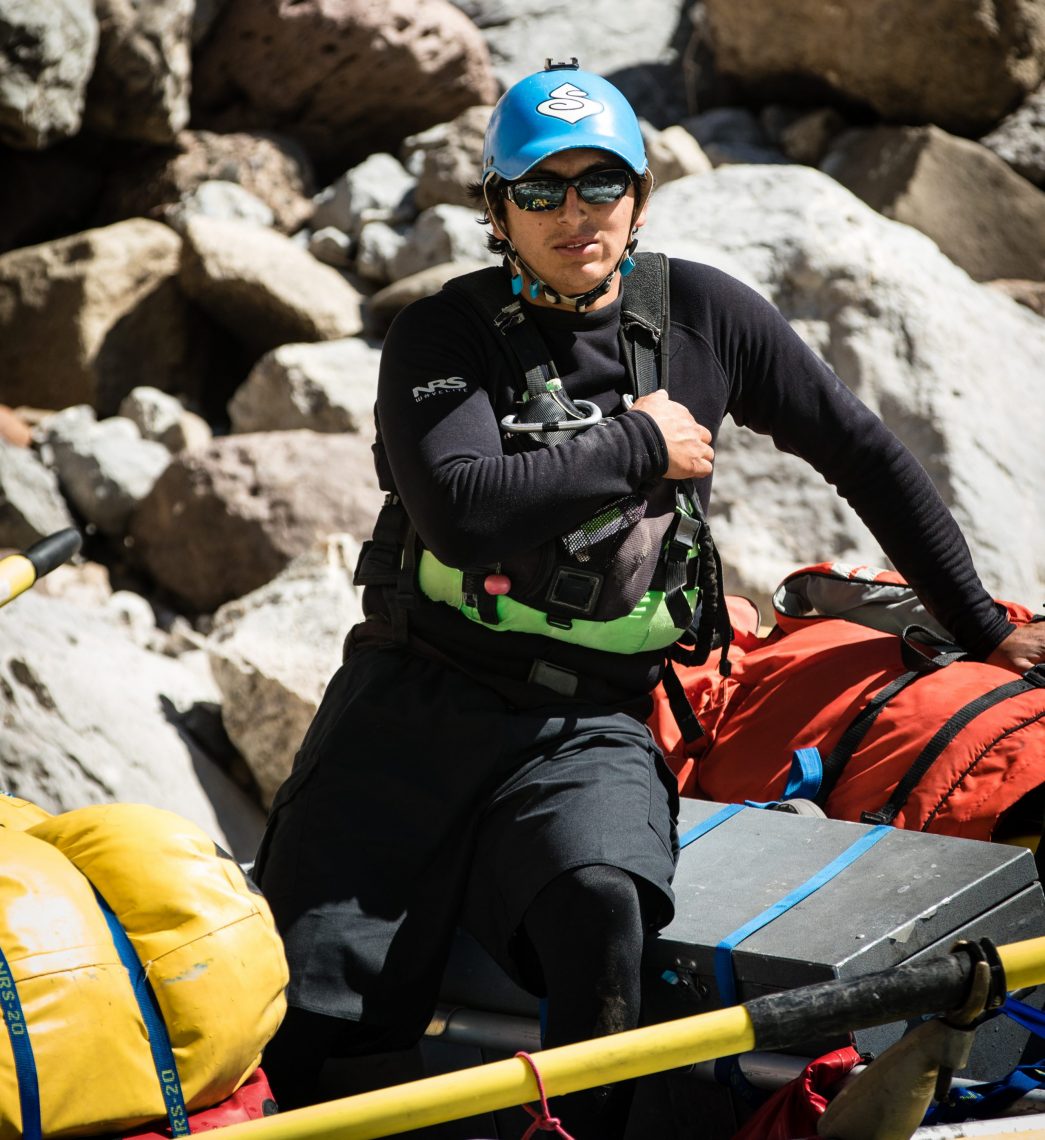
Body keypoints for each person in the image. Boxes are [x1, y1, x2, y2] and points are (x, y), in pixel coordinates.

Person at [253, 59, 1045, 1135]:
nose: (574, 213)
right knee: (319, 1008)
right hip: (412, 700)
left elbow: (861, 453)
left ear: (637, 194)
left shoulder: (703, 316)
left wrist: (985, 628)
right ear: (497, 210)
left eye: (601, 184)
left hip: (589, 719)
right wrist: (639, 442)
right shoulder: (443, 336)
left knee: (601, 910)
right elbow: (460, 512)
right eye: (540, 190)